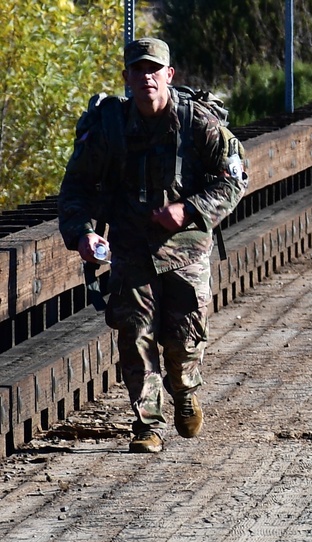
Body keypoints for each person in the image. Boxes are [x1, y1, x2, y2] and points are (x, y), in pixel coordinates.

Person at [58, 37, 247, 453]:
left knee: (183, 341)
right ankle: (147, 424)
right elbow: (76, 188)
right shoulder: (109, 128)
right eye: (138, 70)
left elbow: (235, 177)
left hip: (186, 250)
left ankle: (184, 392)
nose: (146, 77)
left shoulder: (197, 122)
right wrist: (83, 232)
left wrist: (190, 209)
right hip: (131, 248)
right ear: (126, 77)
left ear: (169, 75)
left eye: (154, 69)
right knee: (135, 333)